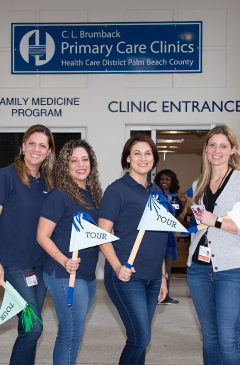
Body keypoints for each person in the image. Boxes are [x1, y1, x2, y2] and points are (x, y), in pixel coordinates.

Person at [98, 133, 169, 365]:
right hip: (126, 276)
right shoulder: (117, 190)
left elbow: (158, 237)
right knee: (141, 336)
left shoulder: (157, 192)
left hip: (152, 277)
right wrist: (117, 267)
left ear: (154, 159)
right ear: (127, 159)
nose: (143, 158)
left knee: (140, 339)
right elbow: (102, 235)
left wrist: (163, 277)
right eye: (136, 153)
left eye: (148, 153)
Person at [37, 140, 102, 365]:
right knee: (70, 333)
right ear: (65, 166)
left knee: (75, 333)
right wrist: (64, 260)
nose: (80, 164)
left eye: (84, 159)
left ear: (91, 164)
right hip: (64, 273)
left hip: (87, 274)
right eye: (73, 160)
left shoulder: (93, 195)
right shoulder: (59, 195)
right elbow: (42, 236)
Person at [0, 124, 55, 365]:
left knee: (27, 330)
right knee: (34, 328)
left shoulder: (49, 183)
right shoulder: (6, 176)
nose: (36, 149)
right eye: (31, 143)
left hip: (40, 265)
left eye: (42, 145)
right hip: (14, 263)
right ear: (23, 146)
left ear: (48, 151)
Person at [187, 125, 240, 365]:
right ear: (206, 149)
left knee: (228, 339)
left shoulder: (239, 181)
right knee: (209, 337)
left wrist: (215, 221)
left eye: (223, 146)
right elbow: (200, 223)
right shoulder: (200, 182)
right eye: (212, 145)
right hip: (198, 268)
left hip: (231, 269)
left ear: (233, 150)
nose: (216, 150)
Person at [154, 169, 191, 304]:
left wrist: (186, 200)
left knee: (167, 264)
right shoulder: (155, 194)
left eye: (168, 179)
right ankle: (154, 294)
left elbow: (181, 216)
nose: (164, 181)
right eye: (162, 179)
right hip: (157, 233)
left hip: (169, 235)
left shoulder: (175, 198)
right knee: (157, 263)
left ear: (172, 182)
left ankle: (165, 295)